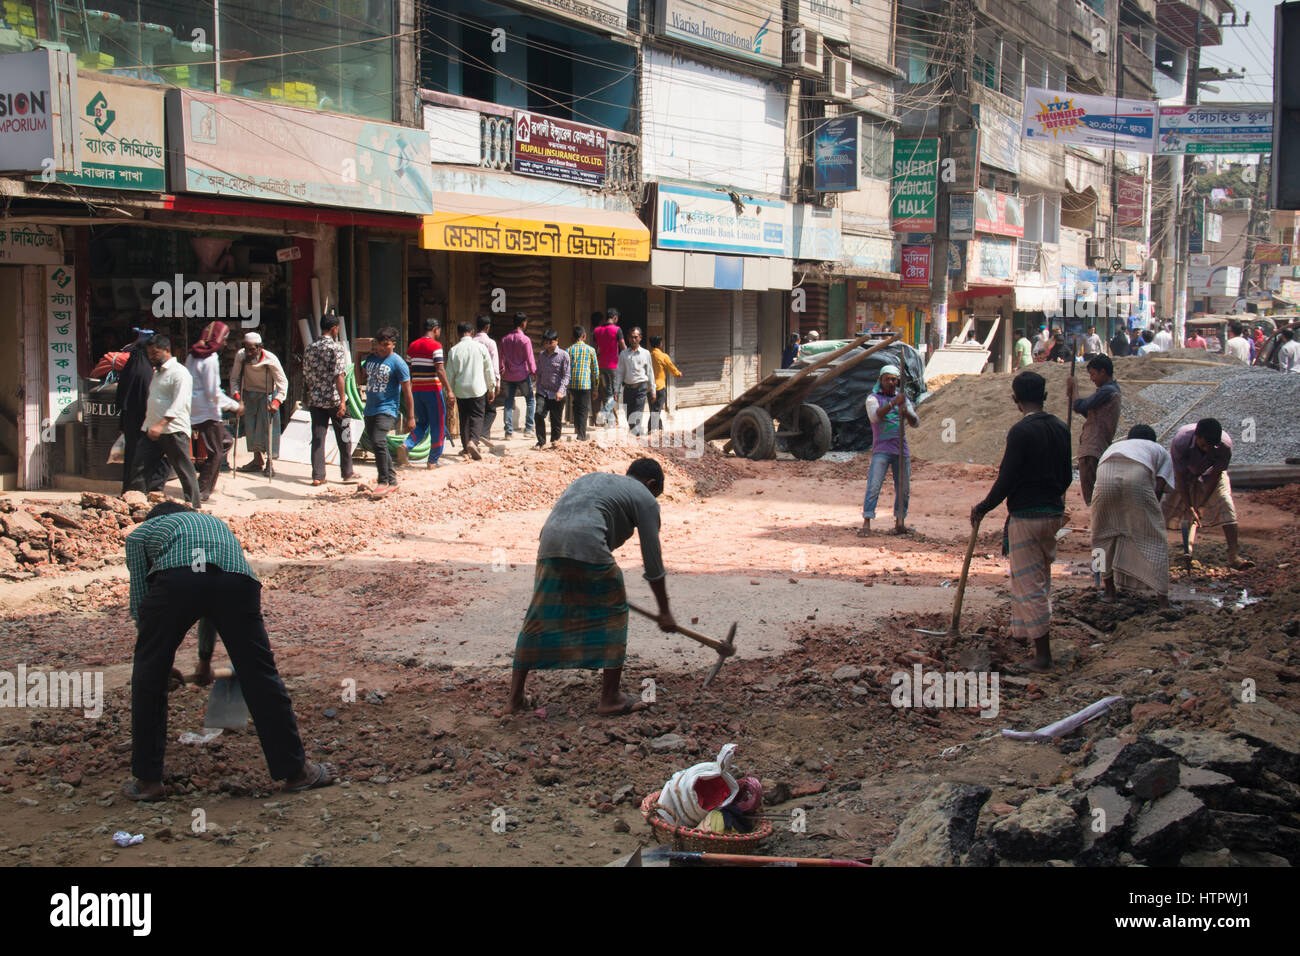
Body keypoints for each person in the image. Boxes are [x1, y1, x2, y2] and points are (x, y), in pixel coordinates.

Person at [122, 502, 334, 801]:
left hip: (178, 581)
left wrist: (156, 660)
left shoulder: (142, 533)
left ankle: (148, 783)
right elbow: (210, 596)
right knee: (259, 673)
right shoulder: (214, 524)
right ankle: (296, 773)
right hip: (237, 582)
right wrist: (205, 661)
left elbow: (141, 602)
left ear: (156, 520)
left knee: (148, 679)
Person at [507, 459, 676, 716]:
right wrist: (664, 611)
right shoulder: (646, 497)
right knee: (614, 612)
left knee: (539, 616)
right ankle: (610, 698)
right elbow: (653, 564)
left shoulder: (592, 480)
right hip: (586, 543)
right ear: (651, 484)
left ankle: (515, 699)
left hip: (549, 543)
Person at [971, 371, 1072, 672]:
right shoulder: (1061, 428)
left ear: (1015, 398)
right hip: (1053, 512)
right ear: (1044, 396)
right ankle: (1023, 633)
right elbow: (1067, 476)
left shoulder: (1020, 432)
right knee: (1036, 576)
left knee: (1029, 583)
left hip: (1027, 515)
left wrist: (984, 507)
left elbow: (1007, 479)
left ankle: (1042, 656)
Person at [1092, 424, 1174, 608]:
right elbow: (1159, 487)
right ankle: (1163, 601)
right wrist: (1150, 515)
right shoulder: (1158, 449)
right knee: (1154, 538)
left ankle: (1109, 592)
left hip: (1105, 474)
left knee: (1102, 536)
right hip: (1137, 476)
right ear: (1152, 440)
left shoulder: (1116, 446)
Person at [1163, 418, 1251, 570]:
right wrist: (1190, 506)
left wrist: (1200, 504)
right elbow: (1180, 477)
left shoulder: (1224, 446)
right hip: (1184, 474)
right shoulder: (1181, 442)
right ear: (1197, 437)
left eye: (1211, 446)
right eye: (1204, 445)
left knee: (1226, 504)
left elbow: (1216, 476)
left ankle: (1234, 556)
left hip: (1210, 475)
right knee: (1162, 512)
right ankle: (1153, 554)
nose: (1207, 450)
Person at [126, 335, 201, 509]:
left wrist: (161, 424)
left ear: (167, 350)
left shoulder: (180, 373)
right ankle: (136, 503)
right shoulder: (157, 373)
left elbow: (180, 403)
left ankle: (194, 505)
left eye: (155, 353)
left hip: (172, 430)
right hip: (151, 429)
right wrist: (151, 425)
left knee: (184, 469)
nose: (151, 357)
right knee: (139, 467)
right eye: (149, 354)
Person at [184, 321, 241, 502]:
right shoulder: (211, 359)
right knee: (217, 451)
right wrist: (235, 406)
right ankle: (201, 490)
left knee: (223, 442)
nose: (225, 343)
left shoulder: (192, 356)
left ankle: (202, 486)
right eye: (224, 339)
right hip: (207, 411)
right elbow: (213, 392)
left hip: (192, 407)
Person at [859, 364, 918, 536]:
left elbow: (915, 422)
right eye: (887, 379)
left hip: (901, 449)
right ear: (881, 380)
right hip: (882, 449)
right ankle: (867, 521)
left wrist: (905, 411)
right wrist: (893, 403)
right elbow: (875, 416)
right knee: (874, 486)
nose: (891, 382)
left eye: (894, 379)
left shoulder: (903, 400)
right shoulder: (873, 398)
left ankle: (900, 521)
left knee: (903, 488)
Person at [355, 327, 414, 495]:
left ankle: (383, 481)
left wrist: (410, 417)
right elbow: (360, 379)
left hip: (387, 409)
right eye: (380, 345)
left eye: (386, 345)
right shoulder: (371, 359)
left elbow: (407, 391)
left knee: (379, 440)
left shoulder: (398, 363)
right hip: (370, 409)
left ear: (393, 344)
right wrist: (358, 355)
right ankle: (393, 480)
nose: (382, 348)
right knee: (377, 443)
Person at [302, 312, 357, 486]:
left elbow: (307, 376)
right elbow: (339, 376)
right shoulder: (336, 348)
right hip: (333, 399)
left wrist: (314, 393)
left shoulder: (310, 347)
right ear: (334, 329)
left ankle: (318, 475)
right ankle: (347, 472)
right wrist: (342, 401)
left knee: (318, 437)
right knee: (345, 434)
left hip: (316, 400)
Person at [118, 328, 171, 494]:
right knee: (145, 459)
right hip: (144, 423)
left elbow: (122, 397)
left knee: (132, 458)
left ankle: (129, 490)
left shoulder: (131, 368)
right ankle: (143, 491)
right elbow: (148, 399)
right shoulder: (146, 372)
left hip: (129, 421)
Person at [1066, 354, 1122, 506]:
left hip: (1093, 448)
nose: (1091, 378)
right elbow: (1090, 412)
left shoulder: (1107, 391)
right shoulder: (1111, 391)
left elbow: (1079, 406)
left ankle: (1099, 525)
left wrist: (1075, 388)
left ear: (1103, 372)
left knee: (1092, 495)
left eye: (1093, 374)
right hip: (1097, 447)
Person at [230, 332, 288, 475]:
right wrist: (238, 398)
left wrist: (277, 401)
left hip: (268, 394)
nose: (249, 353)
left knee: (269, 429)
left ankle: (270, 462)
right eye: (246, 348)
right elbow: (234, 379)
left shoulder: (270, 359)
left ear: (260, 347)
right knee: (251, 428)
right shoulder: (241, 356)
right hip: (249, 393)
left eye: (252, 350)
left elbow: (283, 382)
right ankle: (257, 460)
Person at [401, 318, 452, 469]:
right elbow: (440, 369)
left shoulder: (412, 345)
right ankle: (433, 460)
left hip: (417, 390)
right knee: (438, 424)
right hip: (432, 391)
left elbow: (408, 368)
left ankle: (406, 445)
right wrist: (449, 390)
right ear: (436, 329)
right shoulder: (436, 346)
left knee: (422, 422)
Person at [446, 320, 497, 460]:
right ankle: (473, 442)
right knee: (477, 416)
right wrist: (491, 387)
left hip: (460, 389)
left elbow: (449, 373)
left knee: (464, 417)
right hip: (477, 388)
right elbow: (488, 369)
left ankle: (465, 448)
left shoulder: (453, 350)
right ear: (472, 332)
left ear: (458, 334)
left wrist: (448, 392)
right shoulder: (480, 348)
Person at [499, 312, 537, 440]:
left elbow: (500, 358)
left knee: (508, 402)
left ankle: (508, 432)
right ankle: (528, 429)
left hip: (509, 376)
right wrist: (534, 372)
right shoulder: (525, 340)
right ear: (523, 323)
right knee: (530, 400)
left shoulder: (504, 339)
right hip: (523, 375)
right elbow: (530, 358)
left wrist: (502, 369)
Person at [616, 326, 656, 436]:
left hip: (641, 389)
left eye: (635, 337)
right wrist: (616, 390)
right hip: (628, 389)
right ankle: (636, 433)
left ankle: (637, 436)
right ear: (628, 338)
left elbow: (650, 372)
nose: (633, 340)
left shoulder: (646, 353)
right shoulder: (624, 354)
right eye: (631, 337)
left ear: (640, 338)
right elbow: (619, 373)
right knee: (629, 415)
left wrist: (653, 390)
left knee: (637, 414)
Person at [533, 329, 570, 447]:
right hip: (542, 391)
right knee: (538, 414)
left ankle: (555, 443)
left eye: (550, 342)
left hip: (557, 393)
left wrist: (561, 390)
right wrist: (535, 385)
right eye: (546, 343)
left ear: (556, 341)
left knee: (556, 421)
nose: (548, 345)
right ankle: (541, 442)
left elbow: (566, 375)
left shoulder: (564, 355)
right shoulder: (542, 355)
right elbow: (539, 372)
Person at [594, 308, 625, 427]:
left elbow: (595, 349)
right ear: (615, 317)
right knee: (616, 393)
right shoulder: (617, 329)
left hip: (601, 366)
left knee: (608, 393)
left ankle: (611, 421)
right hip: (614, 367)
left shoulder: (597, 330)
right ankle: (605, 414)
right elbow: (623, 347)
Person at [567, 325, 597, 441]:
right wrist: (595, 387)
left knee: (576, 405)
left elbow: (565, 368)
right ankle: (581, 435)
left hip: (572, 384)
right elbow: (595, 370)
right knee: (584, 409)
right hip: (585, 384)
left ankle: (577, 427)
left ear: (572, 338)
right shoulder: (591, 350)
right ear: (584, 336)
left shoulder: (568, 350)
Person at [474, 315, 501, 438]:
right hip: (486, 381)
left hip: (473, 381)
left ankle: (476, 434)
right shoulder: (490, 343)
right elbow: (494, 365)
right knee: (490, 410)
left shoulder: (472, 342)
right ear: (487, 327)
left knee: (475, 410)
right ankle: (483, 434)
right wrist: (496, 383)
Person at [648, 335, 681, 431]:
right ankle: (652, 430)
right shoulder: (663, 356)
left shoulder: (648, 355)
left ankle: (659, 429)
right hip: (659, 388)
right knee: (656, 411)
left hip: (649, 388)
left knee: (653, 410)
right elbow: (671, 368)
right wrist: (678, 373)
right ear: (660, 344)